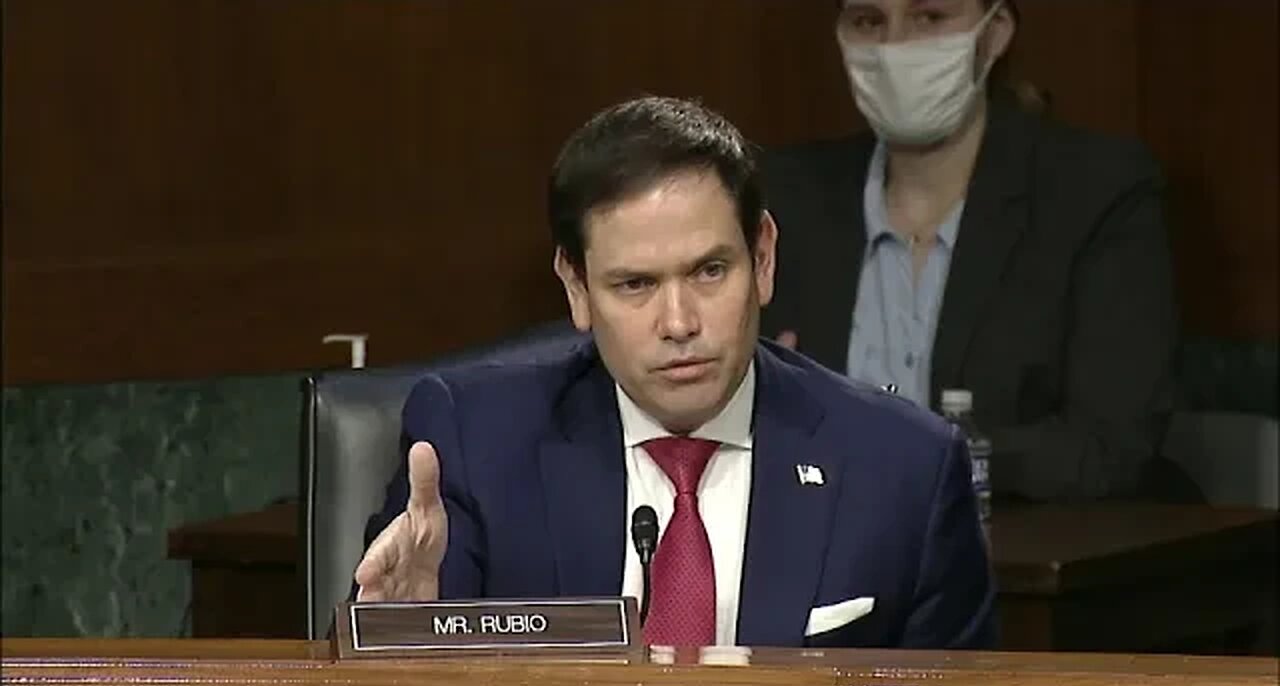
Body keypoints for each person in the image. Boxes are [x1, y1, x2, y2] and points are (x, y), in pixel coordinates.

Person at [355, 96, 995, 650]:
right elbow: (404, 681)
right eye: (635, 284)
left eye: (710, 271)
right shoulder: (477, 445)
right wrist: (398, 637)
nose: (680, 321)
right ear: (576, 288)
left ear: (763, 258)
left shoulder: (904, 468)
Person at [760, 0, 1185, 502]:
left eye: (930, 17)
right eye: (869, 21)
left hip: (1026, 559)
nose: (895, 47)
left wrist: (909, 456)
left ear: (995, 32)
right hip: (827, 561)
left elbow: (1110, 449)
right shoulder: (784, 197)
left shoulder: (1094, 192)